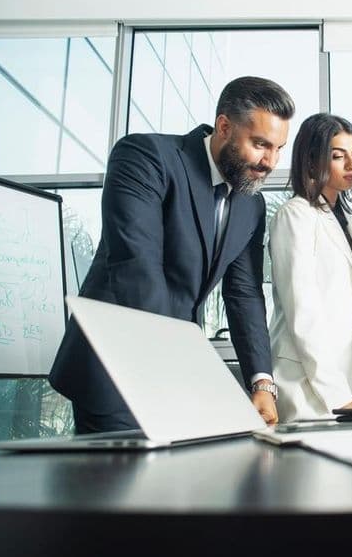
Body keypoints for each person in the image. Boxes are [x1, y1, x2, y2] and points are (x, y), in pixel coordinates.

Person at [49, 76, 294, 433]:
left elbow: (243, 293)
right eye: (260, 144)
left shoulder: (250, 205)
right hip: (114, 370)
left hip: (174, 378)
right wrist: (178, 370)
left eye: (278, 148)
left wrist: (262, 383)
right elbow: (137, 265)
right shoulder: (146, 157)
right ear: (224, 126)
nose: (270, 161)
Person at [268, 113, 352, 421]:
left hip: (341, 385)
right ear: (312, 160)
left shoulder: (345, 223)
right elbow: (303, 312)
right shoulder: (295, 215)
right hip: (305, 387)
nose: (351, 165)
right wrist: (339, 397)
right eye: (338, 156)